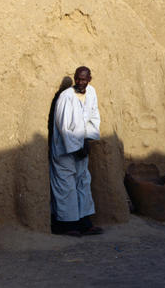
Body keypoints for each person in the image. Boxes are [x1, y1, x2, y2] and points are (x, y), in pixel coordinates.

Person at [49, 66, 103, 236]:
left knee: (83, 181)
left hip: (81, 146)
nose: (80, 82)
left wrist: (87, 140)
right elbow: (64, 127)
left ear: (89, 79)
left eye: (84, 79)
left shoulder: (91, 93)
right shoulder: (66, 97)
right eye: (78, 79)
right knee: (66, 185)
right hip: (65, 149)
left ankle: (85, 223)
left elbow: (93, 118)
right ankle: (67, 225)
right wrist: (76, 146)